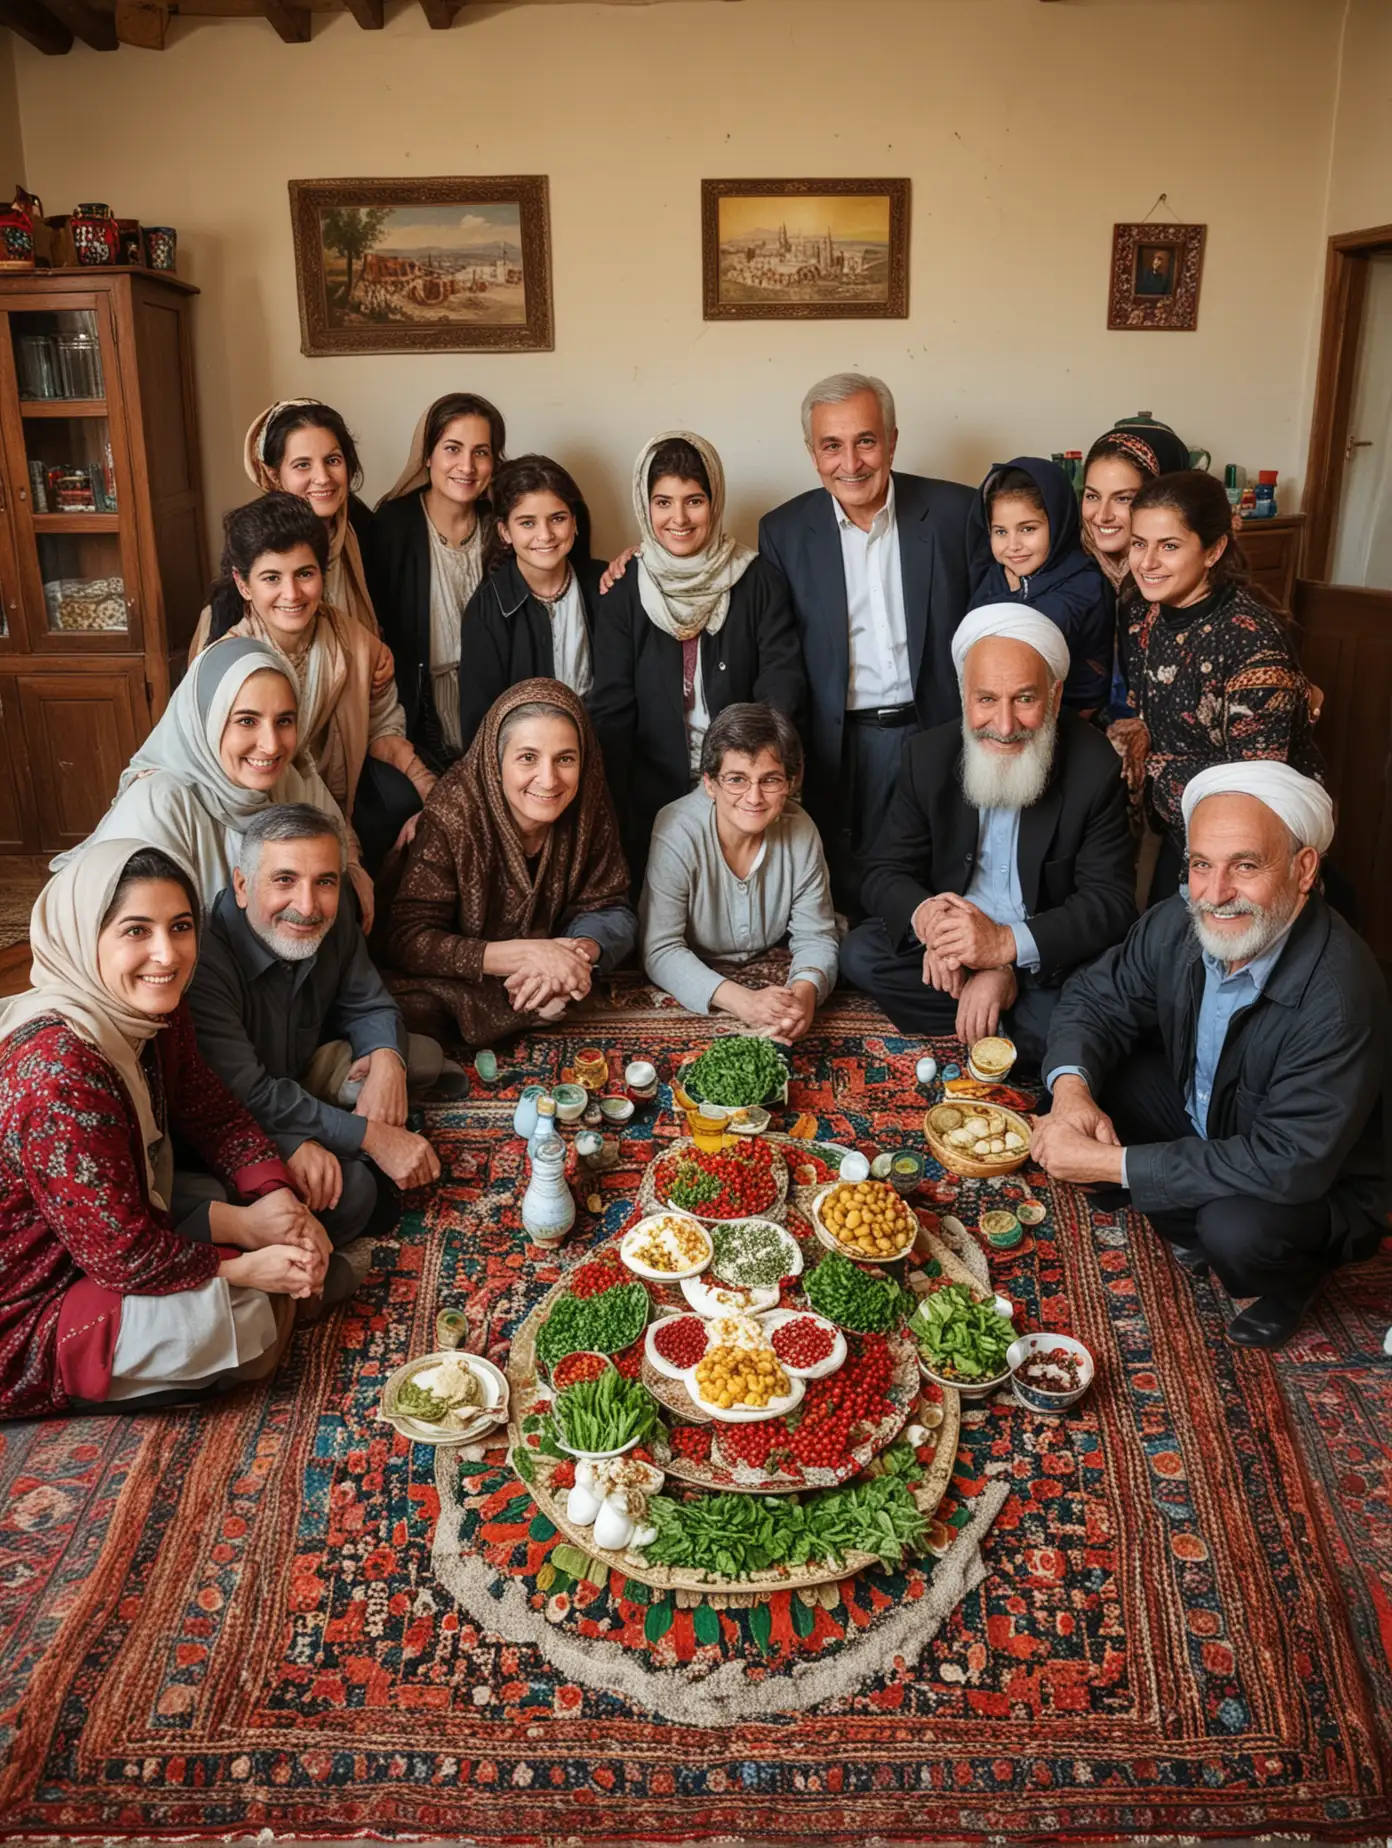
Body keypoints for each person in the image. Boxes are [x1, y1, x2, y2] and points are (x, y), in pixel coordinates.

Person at [1033, 762, 1388, 1350]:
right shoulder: (1180, 919)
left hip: (1312, 1181)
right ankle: (1181, 1213)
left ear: (1304, 870)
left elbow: (1287, 1163)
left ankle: (1291, 1283)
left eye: (1245, 866)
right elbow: (1098, 997)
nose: (1216, 893)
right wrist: (1071, 1091)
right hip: (1214, 1116)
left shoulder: (1341, 995)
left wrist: (1112, 1167)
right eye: (1202, 865)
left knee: (1236, 1230)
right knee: (1087, 1080)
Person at [0, 841, 333, 1420]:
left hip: (112, 1230)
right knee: (246, 1316)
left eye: (180, 927)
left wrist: (276, 1198)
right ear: (85, 937)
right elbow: (121, 1255)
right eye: (136, 931)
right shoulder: (58, 1071)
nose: (166, 953)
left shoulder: (154, 1010)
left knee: (297, 1225)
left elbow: (211, 1110)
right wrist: (243, 1265)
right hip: (30, 1296)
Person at [840, 607, 1136, 1061]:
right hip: (955, 941)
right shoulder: (928, 756)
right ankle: (1006, 1026)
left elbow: (1109, 904)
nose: (1003, 726)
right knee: (861, 954)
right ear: (964, 697)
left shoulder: (1095, 768)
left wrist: (1005, 954)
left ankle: (1005, 1010)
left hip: (1039, 953)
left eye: (1024, 699)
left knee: (1087, 1002)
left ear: (1054, 698)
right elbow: (884, 871)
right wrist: (934, 926)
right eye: (986, 700)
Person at [757, 373, 981, 917]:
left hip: (940, 726)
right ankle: (864, 971)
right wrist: (777, 743)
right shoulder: (783, 531)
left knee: (944, 870)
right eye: (831, 445)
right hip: (843, 739)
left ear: (893, 440)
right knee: (851, 887)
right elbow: (780, 652)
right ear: (813, 454)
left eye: (866, 441)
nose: (850, 463)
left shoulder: (957, 513)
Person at [187, 805, 442, 1252]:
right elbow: (248, 1095)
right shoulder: (203, 961)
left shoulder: (331, 910)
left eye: (324, 881)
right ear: (243, 886)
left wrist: (386, 1062)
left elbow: (369, 1002)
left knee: (415, 1059)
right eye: (284, 880)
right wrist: (373, 1137)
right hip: (235, 1120)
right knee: (354, 1190)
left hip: (297, 1075)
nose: (307, 906)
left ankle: (351, 1143)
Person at [589, 431, 805, 892]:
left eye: (694, 500)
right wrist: (609, 805)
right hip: (650, 787)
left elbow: (780, 683)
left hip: (740, 783)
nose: (679, 518)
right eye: (663, 502)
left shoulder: (757, 579)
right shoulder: (626, 588)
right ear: (645, 507)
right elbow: (612, 706)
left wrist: (750, 776)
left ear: (715, 501)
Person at [190, 494, 435, 874]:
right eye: (272, 578)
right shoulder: (225, 665)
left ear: (323, 572)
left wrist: (427, 786)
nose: (292, 594)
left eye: (305, 574)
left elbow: (382, 725)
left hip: (339, 796)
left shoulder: (354, 641)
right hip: (249, 810)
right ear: (243, 584)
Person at [55, 636, 374, 927]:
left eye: (284, 721)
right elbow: (123, 935)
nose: (271, 744)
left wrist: (352, 866)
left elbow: (336, 842)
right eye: (247, 721)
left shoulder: (293, 781)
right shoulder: (160, 802)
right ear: (205, 722)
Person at [385, 680, 636, 1048]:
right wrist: (528, 955)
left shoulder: (587, 804)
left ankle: (538, 998)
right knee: (409, 1007)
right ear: (495, 763)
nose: (549, 780)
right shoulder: (454, 814)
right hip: (467, 974)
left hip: (543, 966)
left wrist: (573, 957)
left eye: (565, 759)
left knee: (562, 989)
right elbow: (409, 940)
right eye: (528, 757)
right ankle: (529, 1007)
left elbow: (613, 908)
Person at [1120, 469, 1324, 901]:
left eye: (1169, 546)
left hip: (1244, 852)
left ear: (1213, 550)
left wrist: (1151, 765)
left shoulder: (1252, 644)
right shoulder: (1142, 608)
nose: (1148, 562)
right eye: (1140, 543)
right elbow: (1145, 707)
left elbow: (1251, 795)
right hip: (1182, 831)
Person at [641, 702, 837, 1042]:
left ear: (790, 783)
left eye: (770, 780)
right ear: (709, 783)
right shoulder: (675, 830)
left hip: (771, 970)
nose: (754, 797)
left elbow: (816, 935)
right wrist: (743, 1002)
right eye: (736, 779)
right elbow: (659, 948)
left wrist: (804, 996)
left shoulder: (802, 830)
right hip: (699, 979)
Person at [365, 392, 506, 769]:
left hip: (496, 705)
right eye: (453, 449)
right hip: (415, 710)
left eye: (481, 452)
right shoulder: (394, 526)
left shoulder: (503, 526)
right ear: (427, 456)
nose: (467, 466)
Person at [456, 455, 604, 755]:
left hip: (604, 757)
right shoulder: (487, 609)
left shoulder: (606, 585)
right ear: (505, 532)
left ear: (574, 522)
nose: (545, 535)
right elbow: (481, 727)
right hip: (527, 771)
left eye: (557, 518)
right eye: (527, 523)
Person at [970, 457, 1110, 713]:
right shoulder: (991, 578)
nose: (1013, 545)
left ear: (1058, 525)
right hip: (999, 718)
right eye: (1000, 531)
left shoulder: (1084, 582)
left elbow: (1031, 636)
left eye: (1027, 529)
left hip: (1072, 719)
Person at [244, 399, 379, 636]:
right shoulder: (253, 546)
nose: (323, 477)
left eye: (332, 460)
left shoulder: (370, 536)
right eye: (302, 465)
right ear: (274, 476)